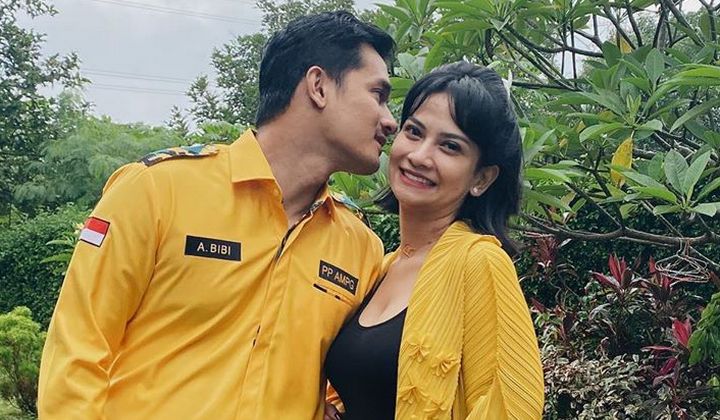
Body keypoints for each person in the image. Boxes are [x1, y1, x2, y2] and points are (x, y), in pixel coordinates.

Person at [38, 11, 398, 419]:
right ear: (318, 86)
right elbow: (77, 351)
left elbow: (348, 377)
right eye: (378, 94)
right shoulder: (157, 190)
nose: (390, 121)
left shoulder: (360, 246)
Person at [324, 62, 544, 419]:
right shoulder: (381, 266)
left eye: (450, 146)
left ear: (482, 178)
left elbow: (512, 407)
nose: (419, 156)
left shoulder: (478, 262)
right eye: (414, 131)